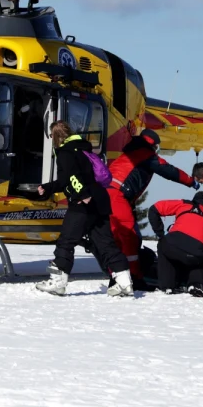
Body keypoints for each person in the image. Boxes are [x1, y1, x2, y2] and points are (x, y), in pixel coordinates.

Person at [35, 121, 133, 297]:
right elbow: (70, 179)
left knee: (67, 240)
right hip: (101, 200)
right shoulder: (84, 148)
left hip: (84, 202)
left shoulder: (65, 151)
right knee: (105, 243)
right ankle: (125, 282)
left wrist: (82, 194)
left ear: (56, 136)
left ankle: (58, 282)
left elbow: (72, 176)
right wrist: (49, 187)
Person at [108, 128, 197, 290]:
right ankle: (134, 277)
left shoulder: (130, 153)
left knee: (117, 238)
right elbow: (169, 170)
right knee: (130, 237)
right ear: (152, 145)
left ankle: (117, 274)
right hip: (117, 196)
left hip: (109, 194)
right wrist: (191, 181)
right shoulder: (145, 154)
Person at [148, 190, 203, 296]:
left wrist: (161, 234)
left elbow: (154, 209)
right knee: (202, 258)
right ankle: (197, 283)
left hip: (171, 245)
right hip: (195, 253)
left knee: (163, 246)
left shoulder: (184, 204)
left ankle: (167, 285)